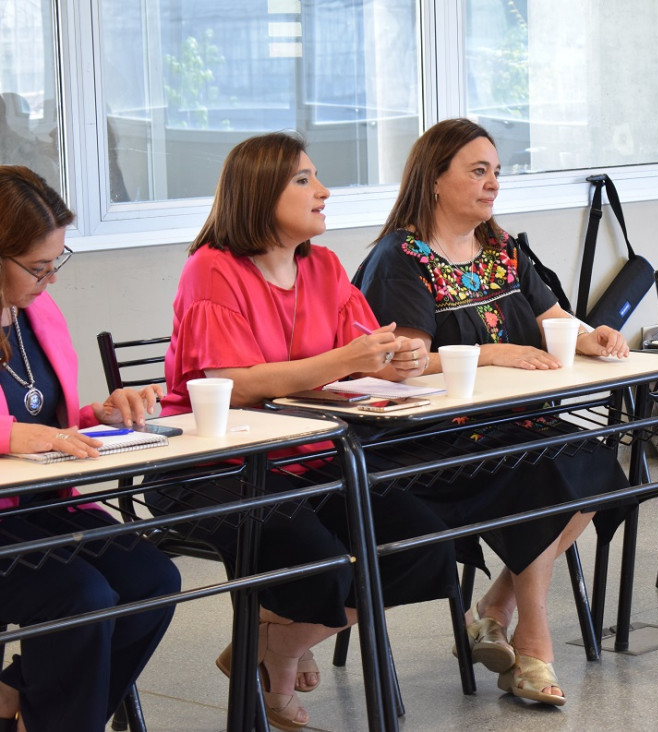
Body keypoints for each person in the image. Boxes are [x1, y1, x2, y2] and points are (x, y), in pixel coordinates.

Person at [145, 132, 456, 731]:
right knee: (319, 564)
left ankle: (272, 648)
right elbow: (235, 382)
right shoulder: (211, 270)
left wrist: (404, 360)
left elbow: (373, 354)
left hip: (308, 454)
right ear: (261, 193)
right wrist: (348, 359)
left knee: (422, 545)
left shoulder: (325, 265)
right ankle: (279, 660)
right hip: (215, 466)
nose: (323, 191)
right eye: (304, 180)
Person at [353, 117, 630, 707]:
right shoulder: (401, 258)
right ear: (434, 179)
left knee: (595, 464)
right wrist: (492, 351)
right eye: (478, 171)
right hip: (434, 437)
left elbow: (550, 316)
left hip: (511, 422)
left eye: (496, 172)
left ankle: (494, 608)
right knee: (540, 473)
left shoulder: (501, 250)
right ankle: (534, 644)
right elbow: (401, 362)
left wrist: (587, 337)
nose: (492, 184)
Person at [0, 166, 180, 732]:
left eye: (58, 260)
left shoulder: (34, 308)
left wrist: (95, 415)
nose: (51, 278)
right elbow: (14, 430)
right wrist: (16, 437)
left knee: (153, 581)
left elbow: (39, 418)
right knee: (81, 596)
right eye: (36, 266)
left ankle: (24, 704)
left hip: (43, 501)